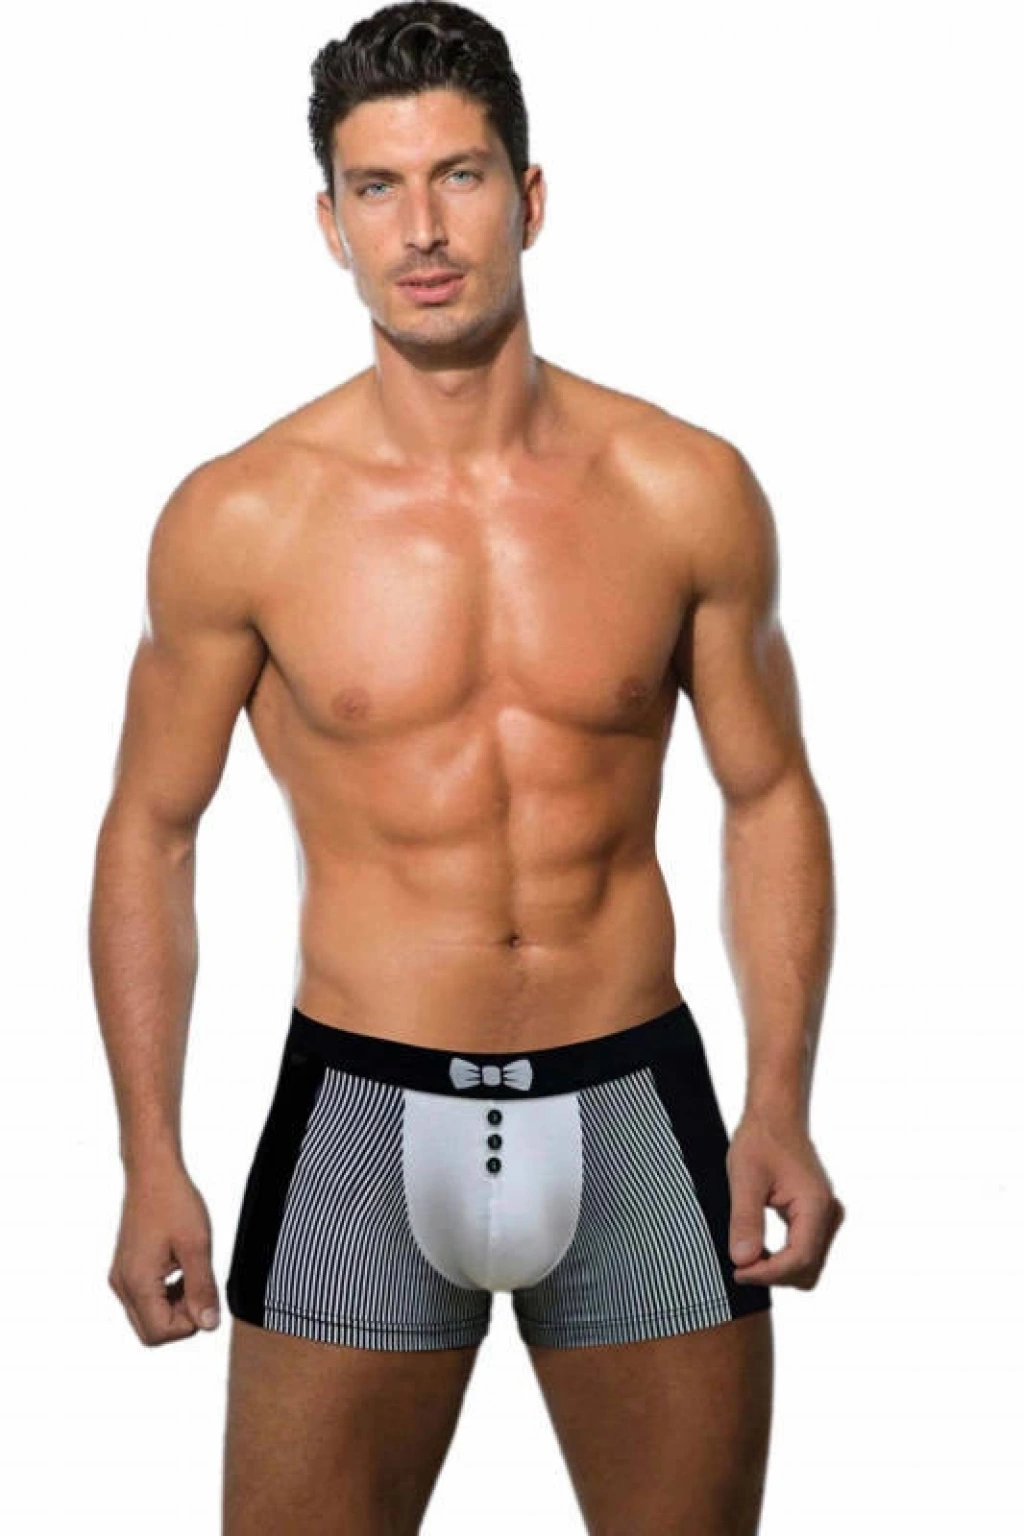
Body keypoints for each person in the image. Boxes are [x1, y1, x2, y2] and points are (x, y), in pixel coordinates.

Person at [89, 3, 845, 1531]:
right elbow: (150, 832)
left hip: (634, 1107)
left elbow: (768, 793)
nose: (422, 229)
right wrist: (149, 1156)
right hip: (361, 1115)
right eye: (378, 187)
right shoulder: (242, 518)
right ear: (330, 223)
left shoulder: (683, 488)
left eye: (461, 175)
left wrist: (780, 1096)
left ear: (530, 195)